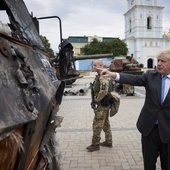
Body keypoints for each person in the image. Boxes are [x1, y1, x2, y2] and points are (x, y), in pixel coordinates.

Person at [96, 48, 170, 170]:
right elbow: (133, 79)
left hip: (168, 130)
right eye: (158, 60)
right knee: (149, 164)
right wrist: (113, 74)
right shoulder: (151, 76)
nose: (159, 64)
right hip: (149, 129)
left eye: (163, 61)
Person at [86, 59, 113, 152]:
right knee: (105, 123)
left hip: (102, 104)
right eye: (93, 65)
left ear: (101, 66)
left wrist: (97, 100)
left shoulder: (103, 76)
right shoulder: (101, 75)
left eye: (95, 65)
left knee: (97, 124)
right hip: (105, 103)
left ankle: (95, 144)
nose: (94, 67)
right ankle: (108, 141)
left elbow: (104, 91)